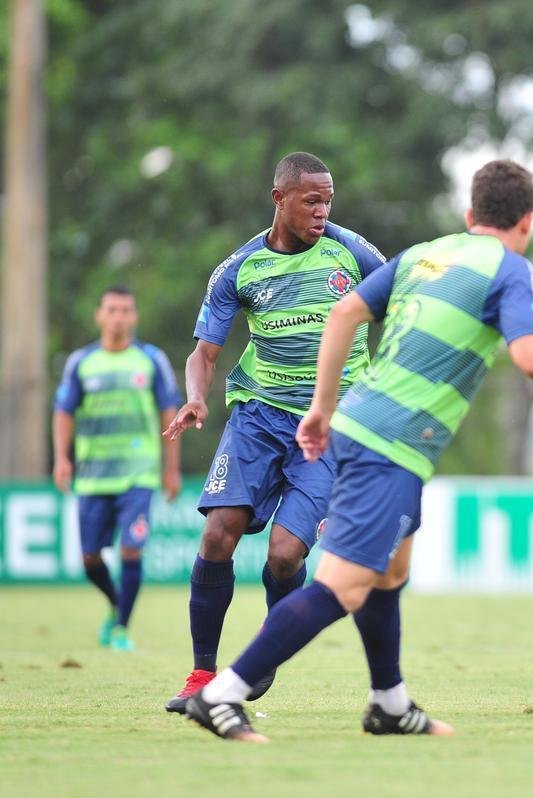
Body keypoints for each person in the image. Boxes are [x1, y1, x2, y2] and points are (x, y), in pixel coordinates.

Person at [184, 159, 533, 742]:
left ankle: (389, 702)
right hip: (391, 441)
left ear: (470, 213)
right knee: (343, 586)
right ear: (527, 222)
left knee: (390, 572)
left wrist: (321, 408)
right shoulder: (511, 269)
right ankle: (222, 693)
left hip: (362, 424)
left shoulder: (425, 255)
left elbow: (345, 313)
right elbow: (532, 357)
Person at [162, 152, 387, 713]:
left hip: (331, 424)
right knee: (218, 535)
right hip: (259, 416)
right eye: (311, 200)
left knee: (285, 556)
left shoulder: (352, 253)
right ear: (278, 199)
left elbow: (404, 305)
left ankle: (264, 655)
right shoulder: (239, 269)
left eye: (328, 200)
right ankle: (201, 673)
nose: (322, 211)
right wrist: (196, 397)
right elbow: (203, 354)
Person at [53, 286, 181, 652]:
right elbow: (63, 411)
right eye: (112, 310)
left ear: (134, 316)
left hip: (138, 474)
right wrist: (62, 457)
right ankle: (115, 603)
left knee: (131, 549)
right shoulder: (81, 362)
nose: (118, 317)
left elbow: (169, 413)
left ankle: (123, 627)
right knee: (90, 558)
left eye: (125, 310)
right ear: (99, 315)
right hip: (93, 476)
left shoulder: (151, 359)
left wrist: (170, 469)